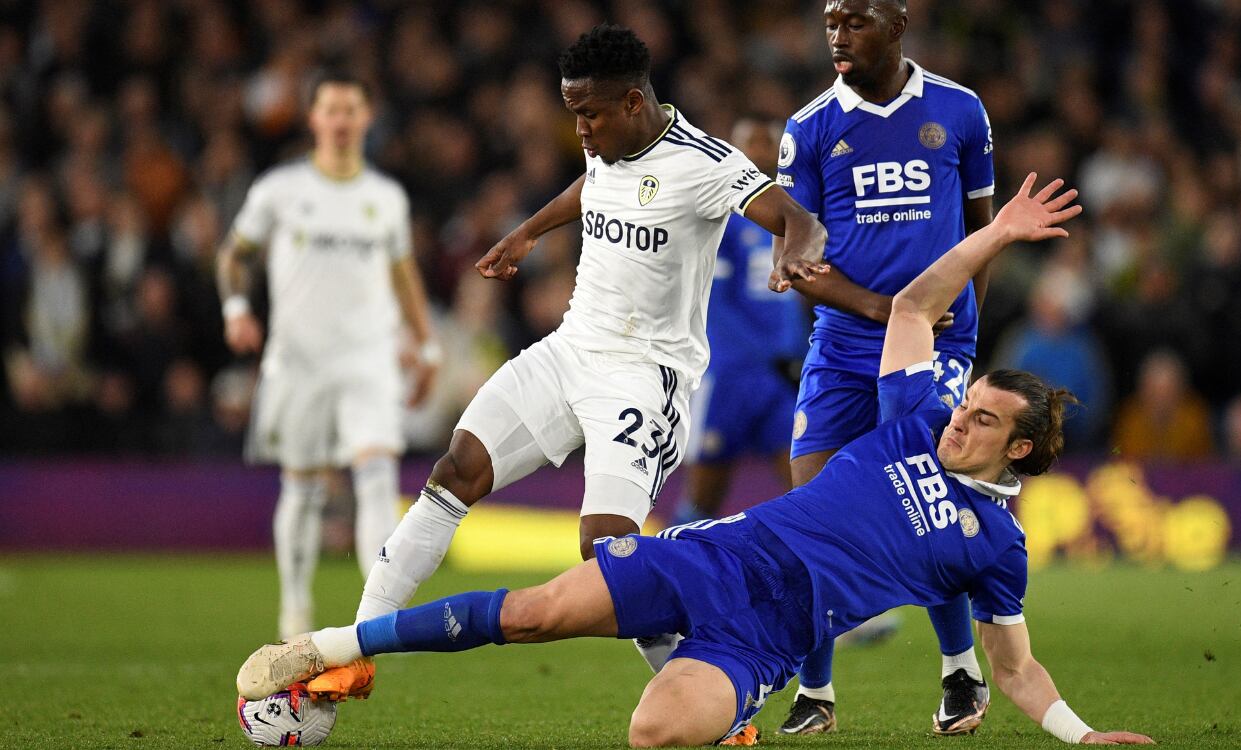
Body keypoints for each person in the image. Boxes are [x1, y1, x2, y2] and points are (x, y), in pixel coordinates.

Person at [239, 175, 1154, 749]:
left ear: (1021, 450)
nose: (962, 423)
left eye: (984, 422)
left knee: (657, 730)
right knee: (536, 612)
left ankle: (735, 718)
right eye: (968, 406)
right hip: (723, 553)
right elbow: (914, 308)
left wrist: (1079, 736)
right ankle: (324, 648)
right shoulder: (917, 415)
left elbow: (1018, 668)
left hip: (775, 631)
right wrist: (996, 234)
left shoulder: (997, 545)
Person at [299, 25, 829, 700]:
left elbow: (799, 218)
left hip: (644, 376)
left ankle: (717, 692)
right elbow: (593, 185)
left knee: (608, 558)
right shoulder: (608, 145)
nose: (578, 127)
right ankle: (358, 647)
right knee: (456, 468)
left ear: (634, 102)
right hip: (569, 350)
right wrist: (527, 230)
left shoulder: (707, 164)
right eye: (572, 111)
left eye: (589, 113)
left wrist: (792, 248)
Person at [774, 0, 999, 735]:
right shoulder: (809, 128)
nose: (838, 34)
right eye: (831, 21)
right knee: (809, 511)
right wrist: (887, 309)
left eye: (857, 20)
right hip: (842, 345)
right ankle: (815, 694)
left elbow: (981, 234)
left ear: (899, 24)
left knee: (928, 498)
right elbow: (798, 261)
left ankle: (961, 674)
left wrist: (962, 333)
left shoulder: (960, 112)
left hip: (935, 348)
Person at [216, 71, 440, 639]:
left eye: (351, 110)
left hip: (369, 359)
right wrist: (237, 309)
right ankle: (294, 610)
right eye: (331, 110)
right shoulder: (280, 190)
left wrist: (426, 344)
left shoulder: (385, 199)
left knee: (375, 474)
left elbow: (402, 272)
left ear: (366, 119)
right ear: (313, 119)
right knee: (304, 485)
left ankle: (376, 618)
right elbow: (233, 256)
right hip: (299, 361)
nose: (341, 121)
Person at [670, 116, 810, 526]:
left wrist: (797, 353)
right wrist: (772, 354)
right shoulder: (718, 217)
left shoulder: (792, 215)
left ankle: (810, 581)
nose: (760, 152)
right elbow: (714, 303)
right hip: (729, 373)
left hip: (781, 377)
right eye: (750, 142)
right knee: (702, 502)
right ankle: (667, 576)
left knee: (803, 490)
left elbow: (794, 302)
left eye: (768, 143)